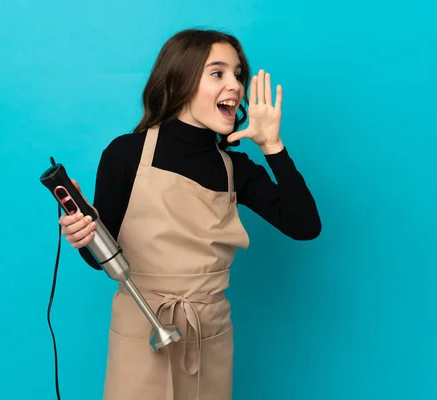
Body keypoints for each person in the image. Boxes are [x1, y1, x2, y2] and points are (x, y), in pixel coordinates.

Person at [59, 28, 321, 400]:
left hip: (208, 335)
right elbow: (98, 259)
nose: (235, 85)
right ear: (181, 81)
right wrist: (86, 233)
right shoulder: (125, 155)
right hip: (140, 327)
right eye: (218, 73)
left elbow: (305, 226)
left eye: (238, 74)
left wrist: (273, 146)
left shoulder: (237, 169)